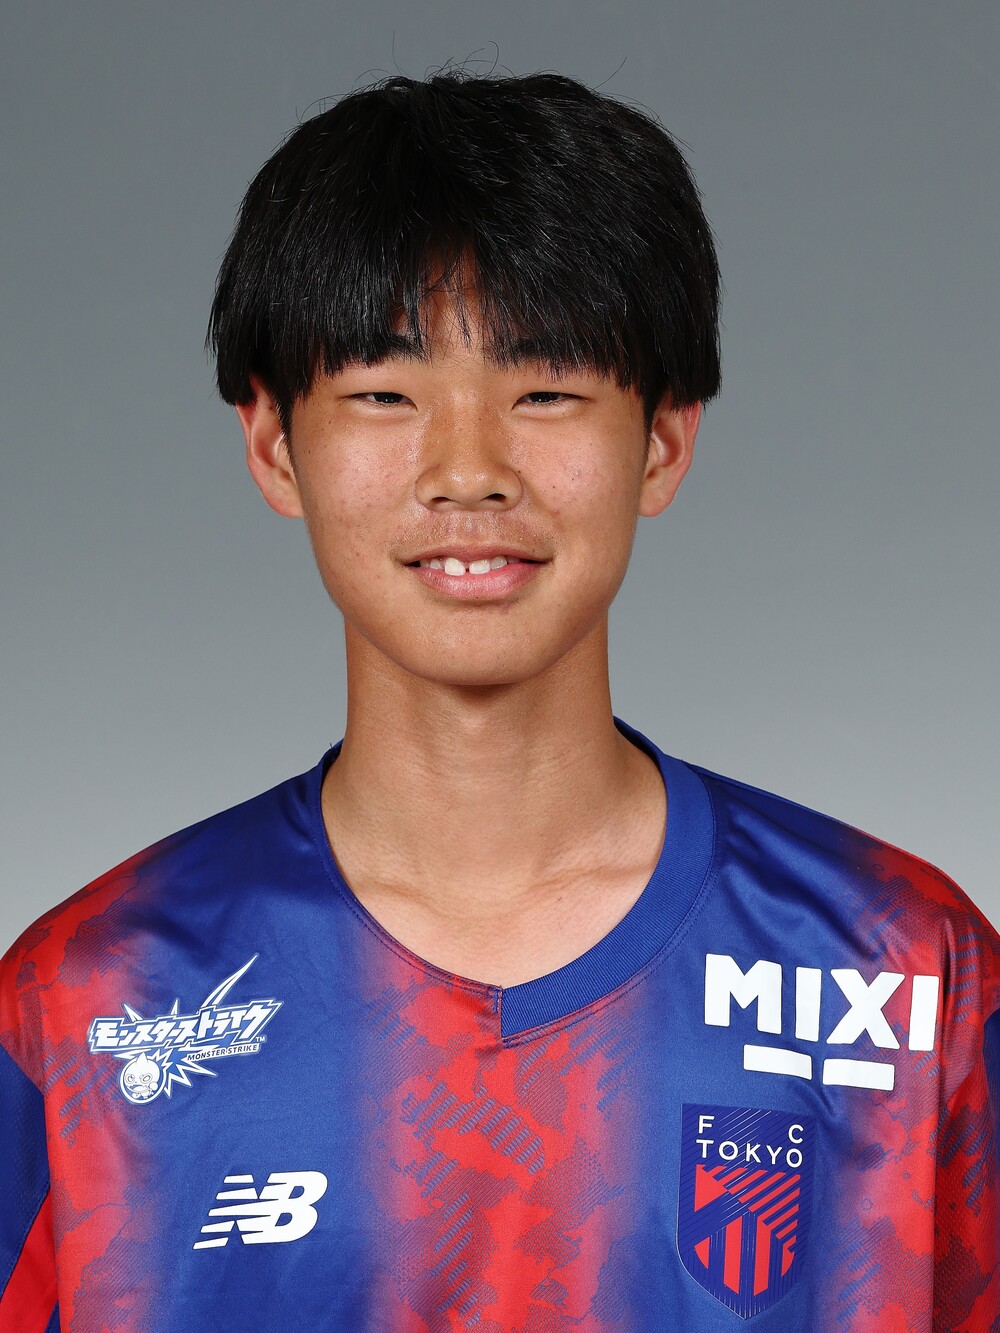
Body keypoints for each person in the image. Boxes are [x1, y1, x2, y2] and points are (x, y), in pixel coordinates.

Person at [0, 69, 996, 1333]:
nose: (466, 470)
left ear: (662, 440)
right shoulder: (92, 992)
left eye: (545, 391)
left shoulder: (898, 961)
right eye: (383, 393)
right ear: (273, 445)